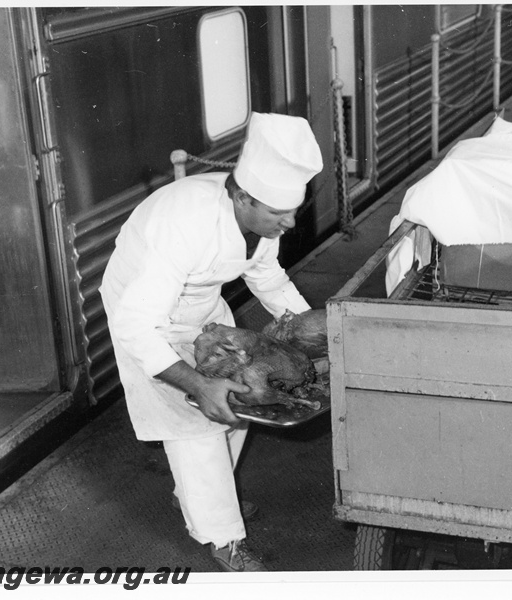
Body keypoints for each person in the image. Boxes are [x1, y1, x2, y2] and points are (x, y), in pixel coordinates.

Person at [99, 112, 323, 572]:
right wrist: (196, 384)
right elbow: (135, 325)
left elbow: (266, 276)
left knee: (238, 407)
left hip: (204, 311)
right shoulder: (183, 223)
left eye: (293, 210)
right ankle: (224, 539)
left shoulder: (260, 222)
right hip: (146, 315)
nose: (290, 221)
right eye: (279, 212)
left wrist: (314, 339)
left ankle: (204, 496)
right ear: (241, 196)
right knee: (196, 423)